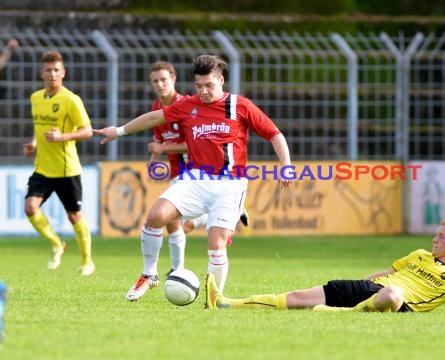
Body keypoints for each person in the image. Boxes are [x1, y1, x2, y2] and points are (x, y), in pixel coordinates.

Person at [95, 54, 293, 301]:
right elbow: (155, 117)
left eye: (209, 85)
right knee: (156, 216)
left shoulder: (240, 106)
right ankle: (150, 274)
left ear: (221, 80)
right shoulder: (189, 105)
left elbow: (274, 134)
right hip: (195, 179)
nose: (204, 91)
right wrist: (119, 131)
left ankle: (215, 299)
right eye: (199, 86)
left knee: (216, 244)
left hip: (230, 183)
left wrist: (286, 165)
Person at [205, 218, 445, 315]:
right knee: (296, 296)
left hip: (396, 302)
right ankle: (227, 301)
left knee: (393, 294)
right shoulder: (420, 254)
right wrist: (374, 276)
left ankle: (343, 314)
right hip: (371, 290)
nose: (434, 240)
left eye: (440, 237)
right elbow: (389, 270)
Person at [146, 60, 249, 274]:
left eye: (163, 79)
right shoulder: (156, 107)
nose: (159, 84)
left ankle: (176, 269)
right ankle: (176, 270)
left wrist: (163, 148)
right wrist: (157, 154)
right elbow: (162, 139)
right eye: (155, 81)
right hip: (177, 169)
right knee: (173, 223)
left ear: (173, 79)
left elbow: (194, 143)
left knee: (180, 223)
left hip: (194, 171)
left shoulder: (188, 105)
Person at [23, 50, 96, 276]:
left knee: (74, 215)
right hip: (43, 168)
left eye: (56, 70)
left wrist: (62, 137)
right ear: (41, 73)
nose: (52, 74)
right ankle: (57, 244)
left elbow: (87, 131)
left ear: (63, 73)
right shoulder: (35, 98)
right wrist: (34, 143)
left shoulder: (71, 100)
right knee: (30, 207)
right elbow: (40, 127)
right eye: (48, 70)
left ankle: (87, 262)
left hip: (67, 169)